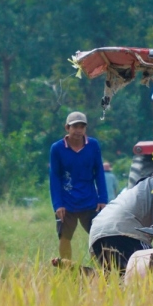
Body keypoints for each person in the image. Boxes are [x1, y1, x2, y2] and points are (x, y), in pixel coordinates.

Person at [49, 111, 109, 262]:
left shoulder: (93, 145)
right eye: (75, 126)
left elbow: (99, 172)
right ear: (67, 128)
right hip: (67, 202)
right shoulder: (57, 148)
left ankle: (102, 268)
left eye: (82, 126)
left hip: (90, 201)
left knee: (99, 236)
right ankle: (66, 271)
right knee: (64, 237)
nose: (78, 130)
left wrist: (103, 198)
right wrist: (58, 204)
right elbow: (54, 177)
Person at [89, 174, 153, 275]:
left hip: (97, 232)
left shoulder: (141, 188)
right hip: (122, 230)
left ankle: (86, 275)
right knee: (152, 274)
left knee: (118, 279)